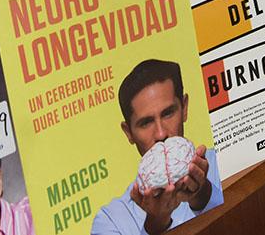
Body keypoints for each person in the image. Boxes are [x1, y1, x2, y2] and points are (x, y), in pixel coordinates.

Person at [92, 59, 222, 235]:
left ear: (184, 108)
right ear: (128, 132)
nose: (161, 134)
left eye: (168, 113)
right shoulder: (112, 221)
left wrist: (204, 196)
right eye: (146, 123)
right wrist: (155, 226)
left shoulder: (226, 162)